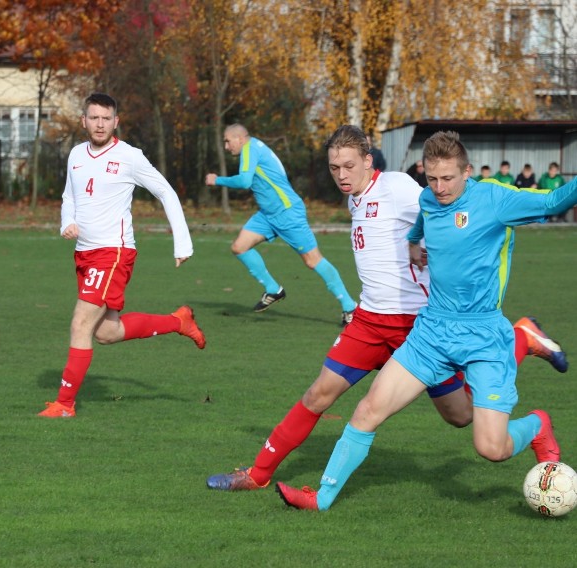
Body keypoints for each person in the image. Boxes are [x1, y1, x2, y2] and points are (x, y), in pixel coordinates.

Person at [206, 126, 567, 492]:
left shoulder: (398, 187)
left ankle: (520, 339)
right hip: (368, 323)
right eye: (334, 168)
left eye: (348, 166)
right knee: (318, 394)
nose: (342, 176)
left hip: (418, 327)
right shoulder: (355, 197)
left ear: (367, 161)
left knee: (460, 416)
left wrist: (424, 243)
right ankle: (258, 473)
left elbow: (441, 211)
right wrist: (412, 242)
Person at [38, 93, 206, 418]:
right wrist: (67, 222)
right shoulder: (75, 154)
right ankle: (178, 321)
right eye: (94, 117)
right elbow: (69, 196)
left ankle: (64, 404)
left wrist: (182, 243)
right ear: (83, 121)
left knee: (80, 323)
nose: (100, 124)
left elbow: (165, 191)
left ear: (116, 122)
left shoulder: (130, 156)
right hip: (84, 254)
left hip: (113, 253)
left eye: (106, 118)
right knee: (105, 333)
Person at [204, 124, 357, 324]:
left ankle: (350, 306)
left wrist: (217, 180)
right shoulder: (255, 148)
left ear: (240, 139)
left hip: (287, 212)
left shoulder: (251, 149)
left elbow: (244, 182)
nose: (226, 146)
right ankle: (273, 289)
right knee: (239, 247)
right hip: (267, 214)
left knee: (313, 260)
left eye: (227, 141)